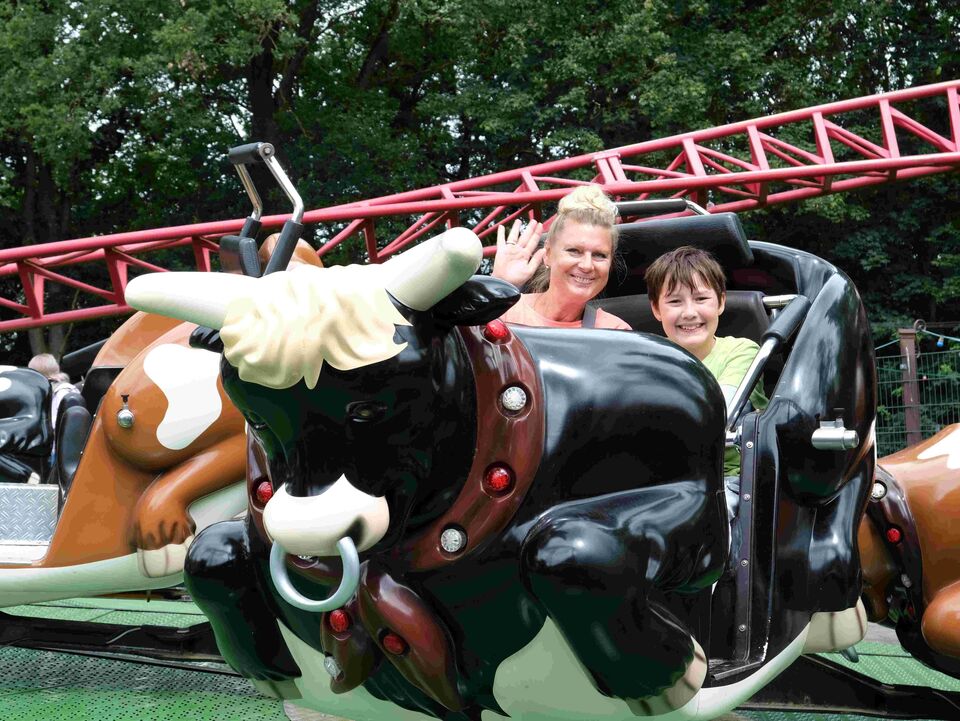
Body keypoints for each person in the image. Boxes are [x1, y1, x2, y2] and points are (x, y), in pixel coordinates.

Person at [643, 246, 767, 494]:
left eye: (701, 299)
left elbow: (717, 412)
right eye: (675, 301)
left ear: (721, 302)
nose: (689, 313)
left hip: (729, 479)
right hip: (661, 481)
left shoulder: (741, 352)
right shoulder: (647, 359)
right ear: (656, 309)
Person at [492, 185, 630, 329]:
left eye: (599, 255)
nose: (587, 265)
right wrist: (496, 288)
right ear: (548, 254)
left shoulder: (616, 331)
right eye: (574, 251)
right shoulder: (505, 311)